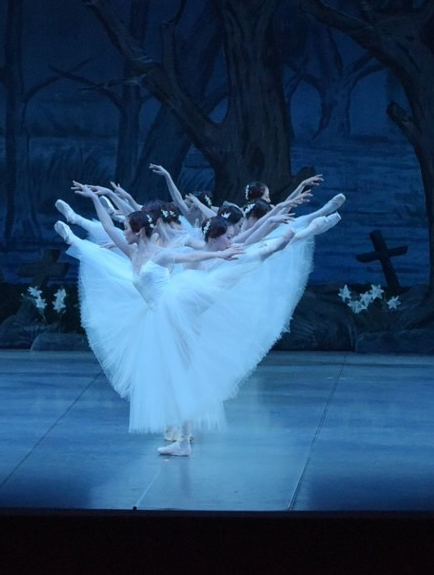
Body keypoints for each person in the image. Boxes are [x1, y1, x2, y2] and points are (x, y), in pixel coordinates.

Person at [56, 181, 304, 457]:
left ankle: (271, 248)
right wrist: (94, 197)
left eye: (127, 228)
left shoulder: (160, 254)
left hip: (176, 305)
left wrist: (218, 253)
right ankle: (183, 440)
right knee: (178, 377)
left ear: (139, 231)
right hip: (158, 317)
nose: (123, 232)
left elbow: (191, 255)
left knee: (224, 278)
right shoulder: (133, 253)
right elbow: (108, 226)